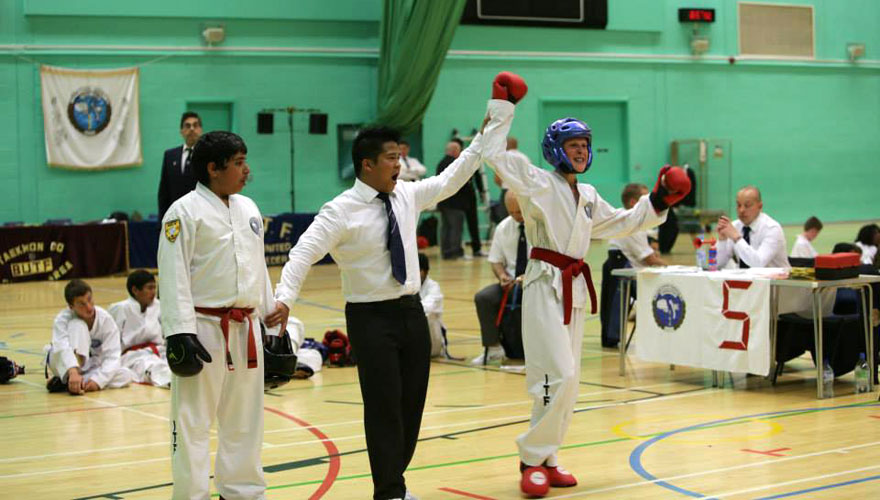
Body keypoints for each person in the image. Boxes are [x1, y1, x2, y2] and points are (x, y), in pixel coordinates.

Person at [267, 86, 508, 499]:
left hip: (411, 313)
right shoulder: (340, 210)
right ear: (367, 164)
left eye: (400, 156)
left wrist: (483, 138)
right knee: (382, 409)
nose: (400, 164)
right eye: (392, 158)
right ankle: (390, 491)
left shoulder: (407, 196)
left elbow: (452, 178)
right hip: (369, 319)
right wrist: (285, 297)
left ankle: (393, 481)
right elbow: (302, 253)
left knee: (411, 406)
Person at [481, 72, 690, 497]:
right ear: (556, 150)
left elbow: (622, 223)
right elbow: (494, 154)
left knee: (570, 379)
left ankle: (549, 457)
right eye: (574, 145)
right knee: (552, 374)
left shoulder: (589, 194)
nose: (581, 151)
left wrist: (660, 199)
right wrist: (502, 106)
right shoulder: (537, 182)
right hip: (543, 285)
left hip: (574, 289)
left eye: (585, 145)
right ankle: (530, 458)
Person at [158, 131, 288, 499]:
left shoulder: (248, 209)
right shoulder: (182, 212)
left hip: (245, 327)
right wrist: (179, 332)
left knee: (245, 420)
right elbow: (173, 273)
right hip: (203, 330)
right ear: (214, 168)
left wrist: (270, 317)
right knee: (192, 423)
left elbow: (256, 268)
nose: (247, 170)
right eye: (239, 163)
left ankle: (243, 492)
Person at [600, 183, 666, 347]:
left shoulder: (635, 222)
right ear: (632, 203)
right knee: (656, 294)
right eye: (645, 200)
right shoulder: (631, 223)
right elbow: (649, 259)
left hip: (621, 264)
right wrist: (672, 266)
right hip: (620, 266)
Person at [45, 279, 133, 395]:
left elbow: (112, 356)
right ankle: (72, 378)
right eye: (82, 304)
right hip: (61, 363)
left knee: (126, 375)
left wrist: (98, 381)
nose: (89, 307)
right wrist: (72, 371)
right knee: (78, 325)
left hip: (90, 367)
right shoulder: (62, 319)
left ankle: (70, 383)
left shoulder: (105, 320)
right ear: (71, 306)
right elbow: (61, 348)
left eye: (90, 299)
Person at [473, 190, 528, 364]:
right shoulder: (503, 227)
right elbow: (495, 261)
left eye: (519, 212)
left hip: (536, 282)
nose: (515, 216)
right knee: (484, 297)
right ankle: (494, 348)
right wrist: (502, 276)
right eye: (511, 212)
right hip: (511, 283)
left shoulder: (542, 225)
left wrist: (528, 277)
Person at [109, 270, 171, 388]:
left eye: (154, 288)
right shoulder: (120, 309)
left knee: (177, 364)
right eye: (149, 288)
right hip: (133, 356)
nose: (153, 292)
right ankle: (171, 383)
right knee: (151, 365)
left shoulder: (159, 306)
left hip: (159, 350)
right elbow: (110, 340)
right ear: (135, 290)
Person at [715, 186, 788, 269]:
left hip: (775, 281)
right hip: (744, 279)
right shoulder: (735, 226)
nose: (741, 210)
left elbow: (758, 264)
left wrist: (737, 238)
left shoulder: (772, 229)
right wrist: (722, 240)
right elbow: (717, 265)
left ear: (760, 206)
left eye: (747, 205)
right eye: (739, 205)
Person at [437, 138, 486, 259]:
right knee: (455, 227)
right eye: (459, 150)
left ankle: (446, 252)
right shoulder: (453, 163)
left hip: (445, 201)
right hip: (455, 202)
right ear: (454, 150)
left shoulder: (441, 163)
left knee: (447, 228)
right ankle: (455, 252)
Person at [158, 112, 203, 221]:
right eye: (187, 126)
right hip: (176, 216)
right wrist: (162, 222)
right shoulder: (170, 156)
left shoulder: (208, 156)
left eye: (195, 125)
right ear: (181, 131)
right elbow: (164, 192)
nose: (192, 129)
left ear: (200, 130)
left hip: (200, 216)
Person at [418, 253, 451, 358]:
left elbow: (425, 307)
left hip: (433, 341)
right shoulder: (406, 286)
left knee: (425, 315)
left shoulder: (433, 288)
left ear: (425, 271)